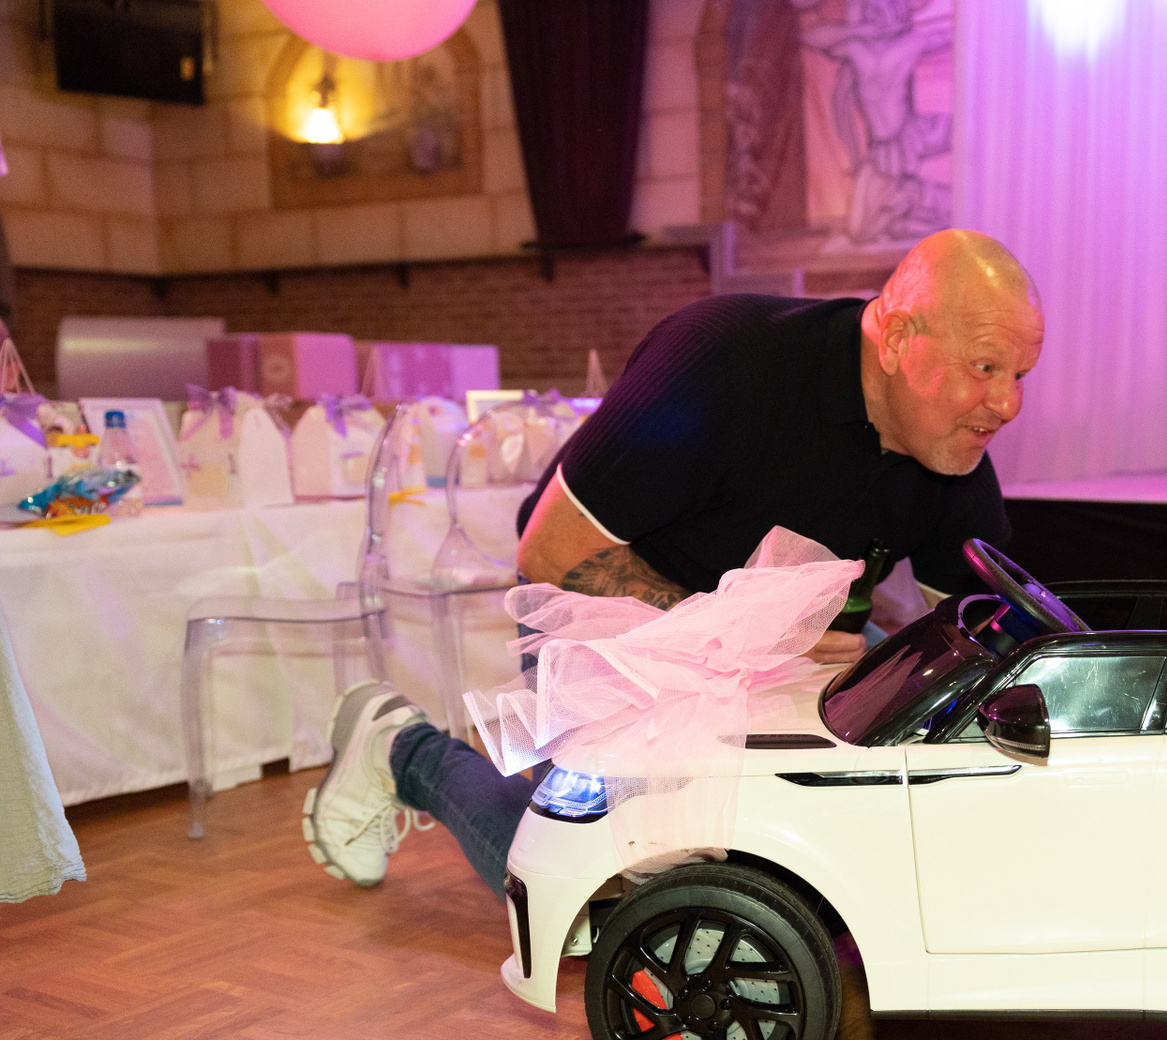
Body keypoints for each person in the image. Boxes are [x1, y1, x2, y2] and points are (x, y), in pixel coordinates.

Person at [301, 229, 1044, 894]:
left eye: (1018, 376)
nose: (1006, 405)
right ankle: (401, 748)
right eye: (985, 367)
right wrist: (756, 640)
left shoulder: (949, 447)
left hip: (785, 651)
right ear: (898, 338)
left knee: (799, 863)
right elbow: (552, 551)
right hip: (607, 610)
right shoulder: (724, 363)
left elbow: (985, 634)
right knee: (596, 894)